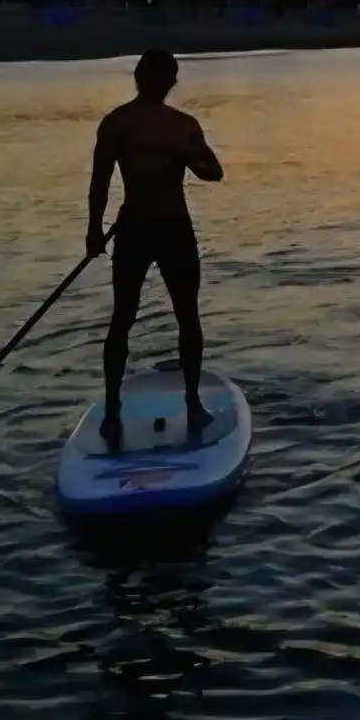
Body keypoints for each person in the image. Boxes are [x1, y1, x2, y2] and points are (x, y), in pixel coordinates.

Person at [86, 49, 224, 450]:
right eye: (156, 77)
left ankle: (194, 401)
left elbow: (214, 172)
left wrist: (186, 156)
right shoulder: (117, 124)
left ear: (172, 83)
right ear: (140, 77)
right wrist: (94, 230)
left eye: (168, 78)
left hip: (174, 228)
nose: (162, 85)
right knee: (122, 317)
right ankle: (112, 406)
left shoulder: (184, 126)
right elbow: (99, 179)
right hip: (133, 229)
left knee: (188, 315)